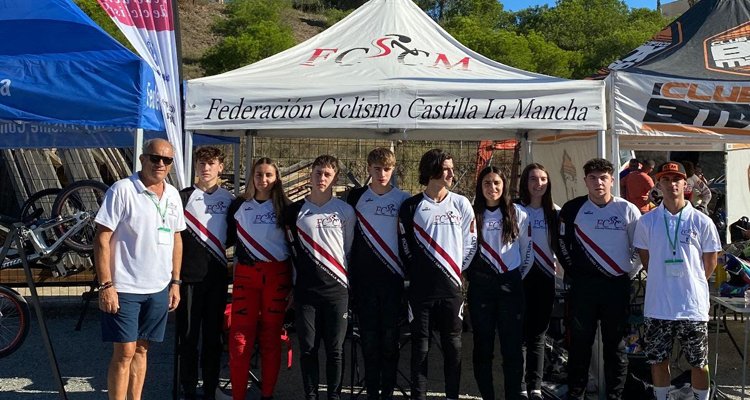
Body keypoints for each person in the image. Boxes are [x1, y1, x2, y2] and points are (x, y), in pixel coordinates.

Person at [94, 138, 186, 400]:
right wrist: (106, 285)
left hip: (158, 287)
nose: (160, 164)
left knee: (143, 349)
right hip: (124, 287)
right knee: (124, 352)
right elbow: (102, 237)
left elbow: (177, 237)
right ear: (143, 159)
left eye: (166, 160)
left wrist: (175, 282)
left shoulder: (172, 195)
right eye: (155, 158)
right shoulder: (122, 190)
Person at [633, 161, 721, 400]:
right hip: (658, 306)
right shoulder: (647, 221)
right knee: (659, 361)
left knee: (698, 362)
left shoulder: (702, 221)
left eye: (676, 179)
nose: (672, 184)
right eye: (666, 179)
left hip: (691, 307)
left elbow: (710, 261)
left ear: (685, 183)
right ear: (659, 183)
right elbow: (646, 259)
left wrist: (693, 283)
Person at [558, 158, 641, 400]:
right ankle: (577, 394)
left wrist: (625, 272)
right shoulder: (572, 208)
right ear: (585, 181)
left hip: (617, 286)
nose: (598, 182)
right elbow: (562, 245)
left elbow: (638, 249)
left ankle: (615, 395)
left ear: (612, 180)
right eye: (593, 178)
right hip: (583, 288)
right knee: (580, 345)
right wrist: (576, 273)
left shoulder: (627, 209)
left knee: (616, 347)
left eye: (603, 177)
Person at [398, 149, 477, 400]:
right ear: (431, 170)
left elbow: (471, 242)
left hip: (451, 290)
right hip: (420, 292)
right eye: (446, 169)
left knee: (453, 348)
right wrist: (419, 272)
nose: (452, 173)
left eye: (452, 168)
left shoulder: (461, 203)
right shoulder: (410, 206)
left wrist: (455, 270)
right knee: (420, 349)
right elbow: (404, 245)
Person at [284, 155, 355, 400]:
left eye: (327, 174)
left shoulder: (345, 211)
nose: (322, 178)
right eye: (318, 173)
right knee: (308, 349)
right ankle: (311, 395)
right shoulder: (295, 211)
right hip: (306, 291)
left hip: (337, 291)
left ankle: (333, 396)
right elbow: (290, 250)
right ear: (310, 175)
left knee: (335, 350)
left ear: (335, 178)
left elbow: (347, 249)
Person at [345, 148, 410, 400]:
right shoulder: (355, 197)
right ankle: (372, 391)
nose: (382, 174)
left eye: (387, 169)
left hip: (393, 281)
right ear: (368, 168)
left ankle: (387, 392)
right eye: (376, 169)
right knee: (369, 342)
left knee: (390, 342)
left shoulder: (404, 199)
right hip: (363, 281)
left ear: (393, 170)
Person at [226, 157, 292, 400]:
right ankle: (238, 395)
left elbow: (293, 247)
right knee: (240, 338)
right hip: (246, 276)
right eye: (258, 175)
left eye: (268, 175)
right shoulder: (239, 206)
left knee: (271, 338)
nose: (263, 180)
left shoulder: (286, 207)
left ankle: (267, 394)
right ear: (252, 178)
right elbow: (229, 239)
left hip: (278, 276)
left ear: (276, 178)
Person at [465, 166, 530, 400]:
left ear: (504, 186)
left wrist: (513, 278)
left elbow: (527, 252)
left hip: (510, 287)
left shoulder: (519, 213)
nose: (492, 188)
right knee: (483, 347)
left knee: (512, 349)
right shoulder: (470, 214)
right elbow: (465, 251)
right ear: (480, 186)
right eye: (486, 183)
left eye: (496, 183)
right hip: (481, 289)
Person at [176, 146, 234, 400]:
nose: (206, 168)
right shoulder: (182, 196)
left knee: (213, 339)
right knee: (188, 338)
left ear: (221, 167)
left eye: (211, 163)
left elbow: (233, 235)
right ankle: (188, 389)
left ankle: (210, 389)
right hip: (188, 279)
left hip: (217, 279)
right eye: (201, 163)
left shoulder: (230, 199)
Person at [517, 163, 559, 400]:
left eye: (543, 179)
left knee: (539, 335)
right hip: (521, 276)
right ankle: (521, 384)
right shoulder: (514, 209)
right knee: (521, 335)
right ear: (525, 182)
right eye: (534, 179)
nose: (538, 183)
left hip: (545, 277)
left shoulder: (555, 212)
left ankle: (535, 385)